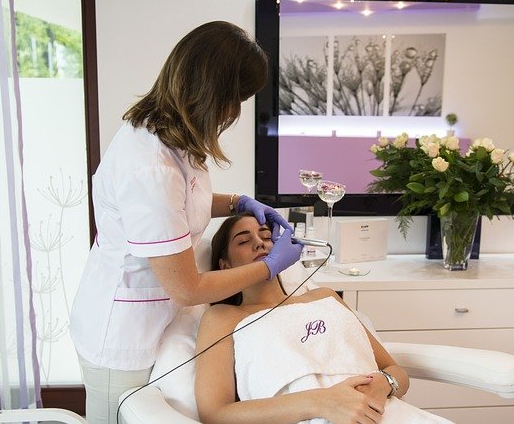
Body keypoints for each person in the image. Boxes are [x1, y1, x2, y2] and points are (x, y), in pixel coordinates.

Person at [69, 21, 303, 424]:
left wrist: (236, 203)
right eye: (238, 99)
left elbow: (181, 202)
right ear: (216, 94)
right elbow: (187, 286)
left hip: (161, 322)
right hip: (123, 335)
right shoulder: (148, 166)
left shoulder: (170, 137)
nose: (237, 111)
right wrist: (266, 267)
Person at [194, 214, 453, 424]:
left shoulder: (325, 297)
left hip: (383, 413)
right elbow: (215, 414)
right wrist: (321, 402)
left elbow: (395, 372)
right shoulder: (223, 317)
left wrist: (382, 386)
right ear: (224, 265)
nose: (260, 243)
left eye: (266, 236)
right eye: (243, 241)